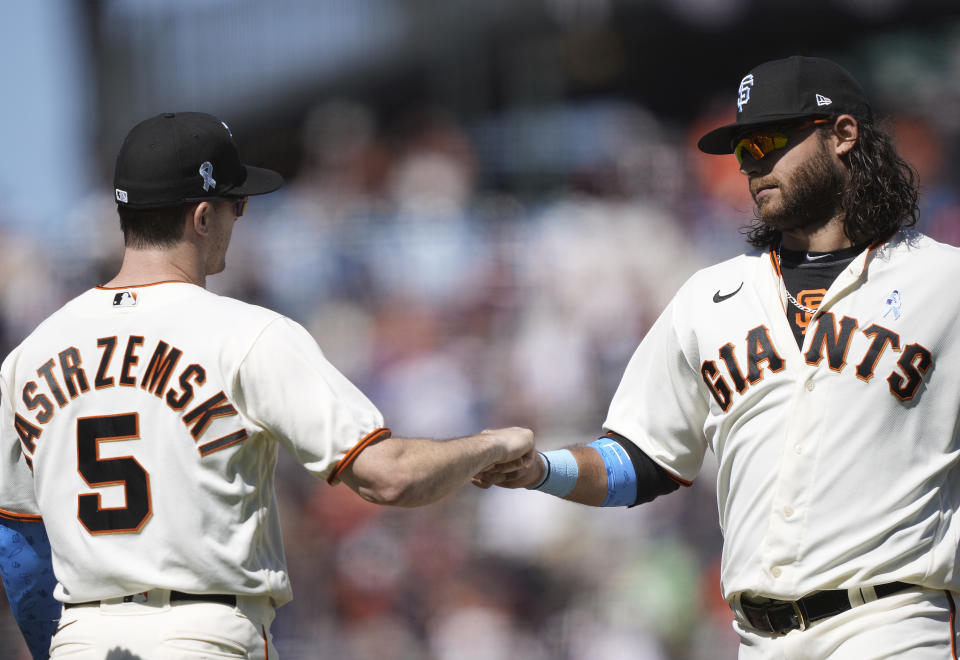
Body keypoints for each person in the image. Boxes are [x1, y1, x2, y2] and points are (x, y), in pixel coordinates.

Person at [475, 55, 960, 658]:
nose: (752, 164)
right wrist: (541, 470)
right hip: (756, 640)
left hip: (892, 624)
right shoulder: (709, 297)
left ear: (842, 135)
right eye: (743, 149)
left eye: (770, 140)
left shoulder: (945, 283)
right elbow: (643, 457)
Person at [0, 111, 533, 659]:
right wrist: (490, 445)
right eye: (239, 204)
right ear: (203, 216)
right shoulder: (249, 334)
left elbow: (19, 547)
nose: (241, 217)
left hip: (82, 640)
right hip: (204, 634)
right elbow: (388, 477)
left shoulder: (29, 354)